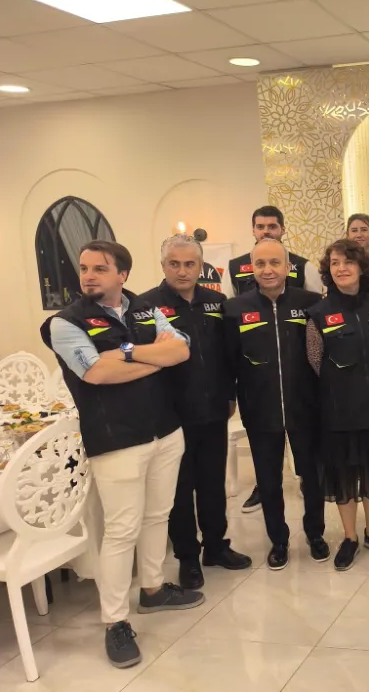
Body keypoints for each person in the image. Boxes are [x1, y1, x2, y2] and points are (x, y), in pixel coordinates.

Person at [41, 241, 202, 670]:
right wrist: (156, 359)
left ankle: (153, 589)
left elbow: (181, 349)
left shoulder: (146, 309)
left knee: (157, 515)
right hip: (116, 441)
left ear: (122, 275)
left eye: (99, 268)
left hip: (165, 431)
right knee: (121, 530)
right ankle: (115, 621)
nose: (88, 276)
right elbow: (96, 372)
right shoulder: (64, 323)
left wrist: (128, 353)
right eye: (84, 268)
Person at [141, 235, 252, 591]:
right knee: (179, 489)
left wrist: (230, 395)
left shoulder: (217, 302)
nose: (182, 271)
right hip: (171, 416)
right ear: (163, 266)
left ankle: (216, 546)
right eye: (174, 264)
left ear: (201, 266)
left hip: (213, 409)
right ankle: (188, 557)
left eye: (190, 264)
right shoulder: (146, 307)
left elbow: (229, 355)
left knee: (212, 483)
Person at [223, 238, 328, 571]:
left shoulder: (310, 303)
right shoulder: (235, 309)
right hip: (259, 409)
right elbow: (228, 360)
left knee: (312, 476)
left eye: (274, 263)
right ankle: (278, 541)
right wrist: (231, 398)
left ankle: (315, 534)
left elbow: (321, 356)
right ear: (251, 268)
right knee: (268, 480)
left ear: (287, 267)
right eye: (260, 264)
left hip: (306, 408)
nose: (267, 270)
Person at [307, 239, 369, 571]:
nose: (341, 268)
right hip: (340, 412)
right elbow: (315, 362)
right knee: (345, 477)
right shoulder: (319, 314)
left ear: (362, 267)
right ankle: (350, 537)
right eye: (334, 263)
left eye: (348, 262)